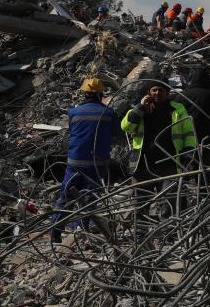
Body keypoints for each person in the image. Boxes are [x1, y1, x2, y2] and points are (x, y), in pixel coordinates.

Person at [51, 78, 117, 242]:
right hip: (97, 164)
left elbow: (74, 131)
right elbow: (117, 133)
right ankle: (80, 231)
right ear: (101, 94)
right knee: (88, 199)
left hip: (74, 163)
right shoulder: (108, 113)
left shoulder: (73, 112)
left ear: (84, 93)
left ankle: (55, 232)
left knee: (65, 198)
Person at [121, 80, 197, 220]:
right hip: (143, 164)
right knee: (140, 202)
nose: (157, 93)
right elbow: (126, 127)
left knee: (170, 202)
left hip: (169, 164)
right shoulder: (141, 109)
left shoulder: (177, 109)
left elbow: (189, 135)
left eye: (161, 90)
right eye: (154, 90)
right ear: (148, 93)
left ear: (167, 93)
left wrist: (187, 158)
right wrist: (140, 107)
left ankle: (169, 234)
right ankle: (141, 234)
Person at [179, 67, 210, 187]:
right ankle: (203, 195)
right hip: (204, 137)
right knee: (202, 166)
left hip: (185, 136)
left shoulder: (184, 95)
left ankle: (180, 197)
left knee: (183, 165)